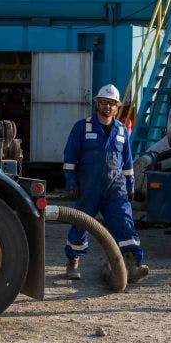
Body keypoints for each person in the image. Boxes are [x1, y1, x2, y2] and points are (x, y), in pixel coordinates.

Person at [62, 84, 149, 284]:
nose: (107, 107)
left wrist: (129, 185)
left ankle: (131, 265)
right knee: (81, 224)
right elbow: (69, 158)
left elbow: (127, 162)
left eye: (111, 104)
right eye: (103, 103)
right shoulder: (82, 127)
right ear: (97, 104)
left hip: (115, 187)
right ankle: (73, 261)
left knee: (124, 223)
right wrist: (70, 182)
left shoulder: (121, 130)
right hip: (89, 186)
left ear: (117, 107)